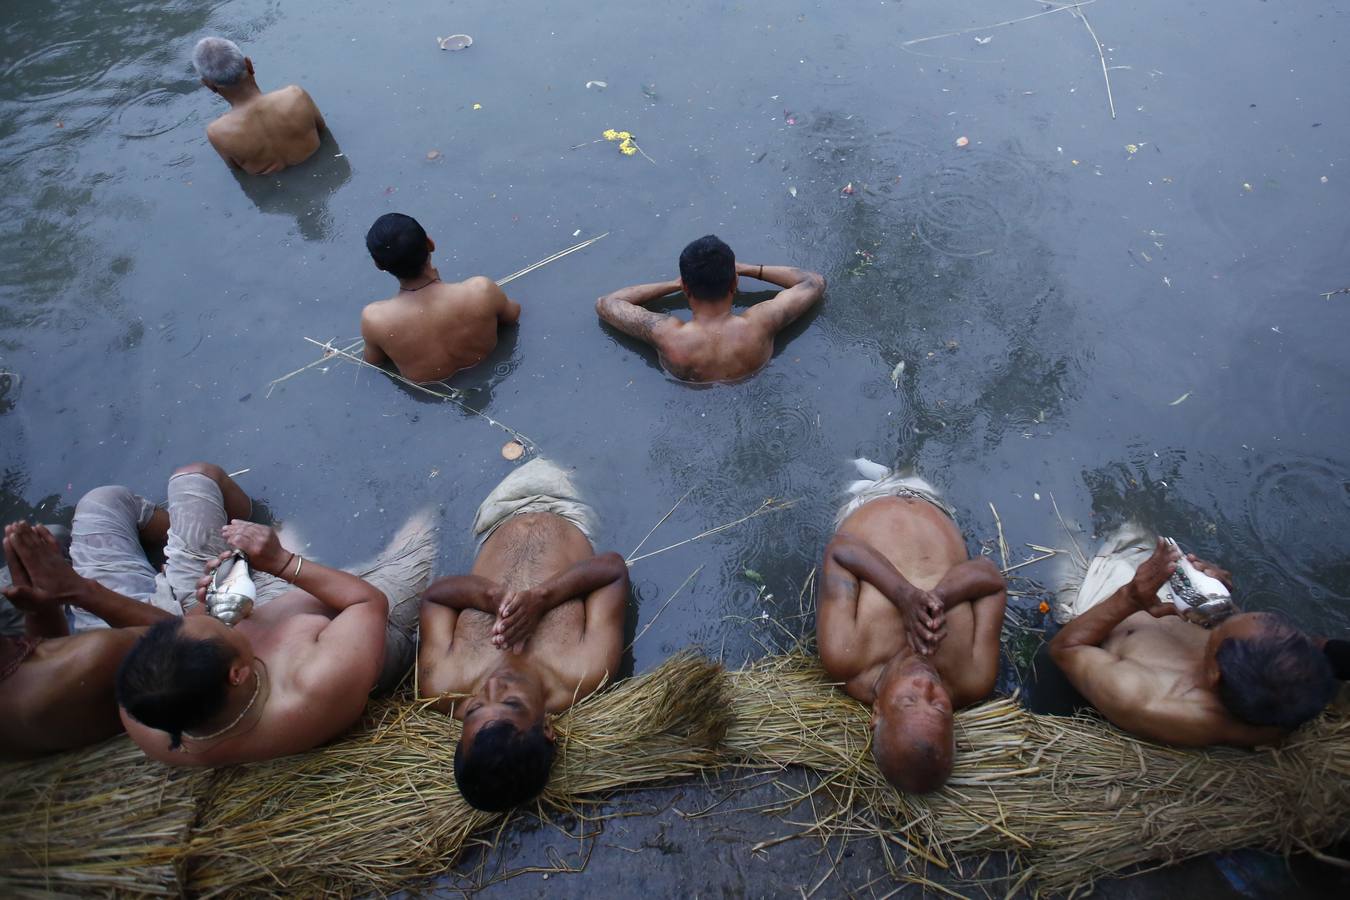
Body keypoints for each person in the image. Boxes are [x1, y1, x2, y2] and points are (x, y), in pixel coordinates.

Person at [114, 473, 434, 766]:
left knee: (283, 524)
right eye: (217, 626)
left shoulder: (143, 710)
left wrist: (210, 600)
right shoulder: (312, 687)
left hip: (277, 607)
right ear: (238, 674)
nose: (209, 616)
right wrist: (281, 562)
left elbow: (194, 630)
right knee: (425, 525)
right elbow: (367, 602)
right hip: (364, 625)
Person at [418, 458, 628, 811]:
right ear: (547, 729)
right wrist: (541, 599)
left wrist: (491, 597)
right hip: (573, 507)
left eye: (474, 710)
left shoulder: (442, 684)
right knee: (594, 452)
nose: (493, 687)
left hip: (498, 513)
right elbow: (613, 570)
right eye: (512, 703)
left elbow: (434, 597)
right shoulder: (582, 673)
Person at [1049, 525, 1342, 748]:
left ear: (1215, 672)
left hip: (1095, 599)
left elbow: (1064, 648)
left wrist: (1131, 597)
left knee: (1062, 526)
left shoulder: (1144, 698)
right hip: (1153, 590)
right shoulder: (1275, 690)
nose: (1222, 620)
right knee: (1133, 524)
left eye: (1223, 625)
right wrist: (1218, 589)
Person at [815, 459, 1007, 794]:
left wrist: (905, 597)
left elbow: (840, 550)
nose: (924, 685)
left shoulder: (846, 657)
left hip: (865, 497)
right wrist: (938, 599)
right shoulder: (973, 676)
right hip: (934, 501)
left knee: (845, 461)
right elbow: (990, 576)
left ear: (877, 712)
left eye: (907, 701)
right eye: (938, 704)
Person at [595, 235, 826, 383]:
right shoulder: (761, 323)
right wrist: (748, 269)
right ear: (734, 283)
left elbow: (607, 304)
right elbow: (813, 282)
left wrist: (673, 284)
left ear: (686, 287)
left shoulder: (666, 334)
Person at [361, 213, 522, 383]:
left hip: (430, 392)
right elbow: (513, 314)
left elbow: (373, 361)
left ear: (378, 265)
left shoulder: (376, 320)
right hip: (491, 371)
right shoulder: (480, 291)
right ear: (430, 244)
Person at [192, 36, 326, 174]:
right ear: (249, 64)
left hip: (275, 193)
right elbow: (323, 132)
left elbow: (237, 172)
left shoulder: (218, 133)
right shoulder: (296, 96)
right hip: (323, 171)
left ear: (208, 85)